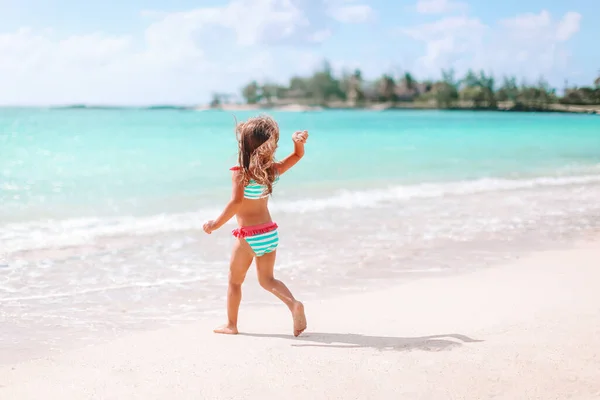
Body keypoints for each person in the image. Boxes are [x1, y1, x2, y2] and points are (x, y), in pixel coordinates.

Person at [203, 115, 308, 337]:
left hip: (248, 236)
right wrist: (297, 142)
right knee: (267, 280)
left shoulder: (241, 173)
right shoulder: (273, 171)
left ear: (244, 146)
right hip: (269, 233)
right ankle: (294, 304)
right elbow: (298, 155)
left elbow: (236, 202)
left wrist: (215, 223)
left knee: (234, 282)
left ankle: (231, 325)